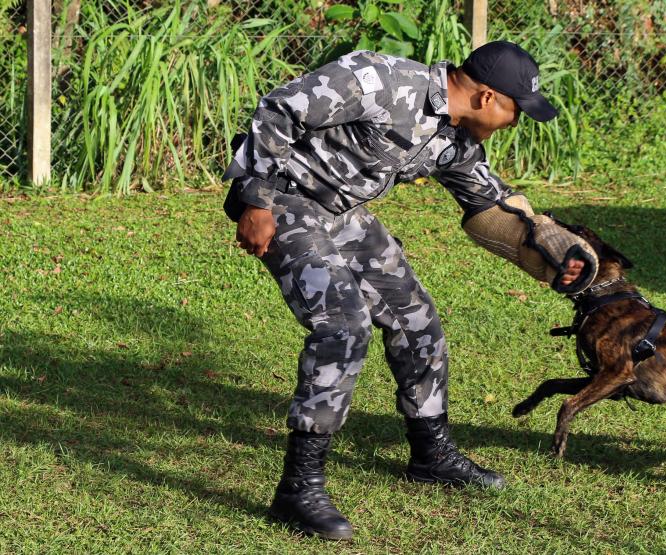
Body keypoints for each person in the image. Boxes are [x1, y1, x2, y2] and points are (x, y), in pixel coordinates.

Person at [223, 41, 599, 540]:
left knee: (415, 317)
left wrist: (556, 248)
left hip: (341, 214)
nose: (515, 122)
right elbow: (280, 107)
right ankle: (298, 487)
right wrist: (256, 200)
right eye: (516, 111)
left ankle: (431, 454)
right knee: (343, 325)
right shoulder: (380, 80)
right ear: (488, 97)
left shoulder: (455, 137)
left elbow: (491, 201)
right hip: (286, 201)